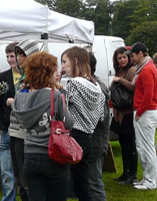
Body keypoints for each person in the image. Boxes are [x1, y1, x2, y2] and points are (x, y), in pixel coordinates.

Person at [12, 51, 73, 201]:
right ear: (47, 72)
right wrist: (63, 96)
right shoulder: (54, 95)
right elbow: (69, 123)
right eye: (55, 69)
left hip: (30, 155)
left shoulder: (20, 95)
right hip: (53, 154)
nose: (57, 73)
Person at [61, 46, 105, 201]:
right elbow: (101, 116)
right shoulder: (97, 86)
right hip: (88, 138)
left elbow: (61, 110)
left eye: (64, 62)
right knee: (82, 183)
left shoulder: (72, 84)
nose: (62, 66)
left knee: (64, 182)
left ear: (75, 61)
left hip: (72, 136)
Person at [7, 39, 40, 201]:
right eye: (18, 53)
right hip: (15, 132)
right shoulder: (23, 77)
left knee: (26, 178)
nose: (19, 58)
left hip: (24, 133)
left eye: (23, 54)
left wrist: (13, 102)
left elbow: (29, 106)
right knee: (19, 176)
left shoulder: (33, 79)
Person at [129, 42, 157, 190]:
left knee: (146, 148)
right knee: (144, 147)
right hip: (147, 112)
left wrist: (139, 112)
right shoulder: (149, 68)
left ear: (140, 53)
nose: (132, 59)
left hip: (146, 113)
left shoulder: (147, 70)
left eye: (133, 55)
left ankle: (150, 181)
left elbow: (148, 96)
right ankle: (147, 179)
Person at [0, 42, 19, 201]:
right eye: (8, 56)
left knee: (22, 171)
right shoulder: (2, 77)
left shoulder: (29, 76)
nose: (10, 60)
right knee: (6, 171)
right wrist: (0, 125)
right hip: (7, 129)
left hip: (25, 130)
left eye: (13, 56)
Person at [110, 47, 138, 185]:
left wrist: (119, 80)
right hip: (119, 113)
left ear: (128, 58)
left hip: (128, 113)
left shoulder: (132, 70)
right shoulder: (120, 71)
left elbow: (134, 87)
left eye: (124, 57)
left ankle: (133, 175)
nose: (122, 60)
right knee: (123, 145)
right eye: (119, 58)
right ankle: (126, 173)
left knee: (130, 145)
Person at [86, 52, 110, 201]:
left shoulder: (96, 87)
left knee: (94, 184)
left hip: (94, 143)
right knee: (89, 184)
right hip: (92, 142)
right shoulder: (91, 84)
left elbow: (101, 117)